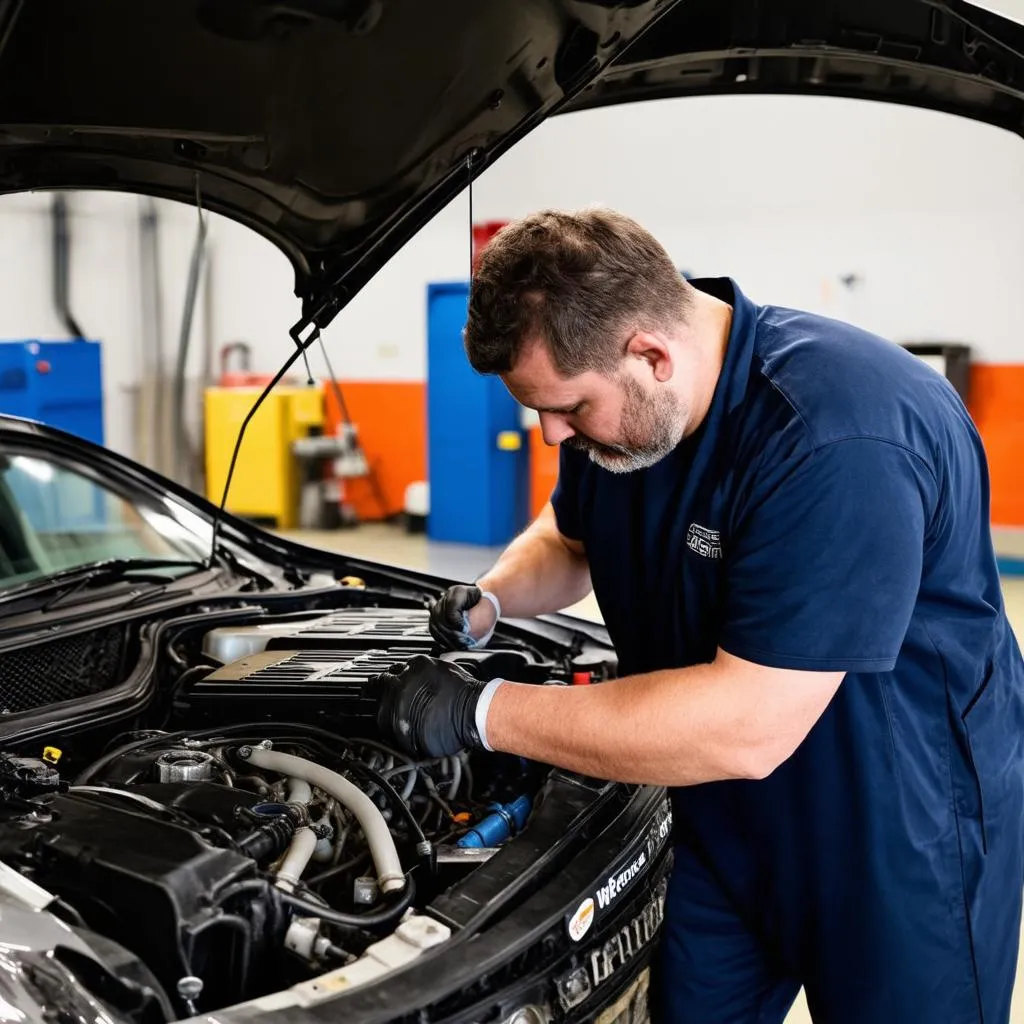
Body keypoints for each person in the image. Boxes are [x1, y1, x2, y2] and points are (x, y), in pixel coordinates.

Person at [371, 208, 1024, 1023]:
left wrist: (481, 711)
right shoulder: (631, 424)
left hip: (896, 838)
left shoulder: (839, 435)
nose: (550, 435)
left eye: (568, 409)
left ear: (651, 353)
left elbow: (747, 725)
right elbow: (568, 537)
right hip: (718, 817)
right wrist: (493, 598)